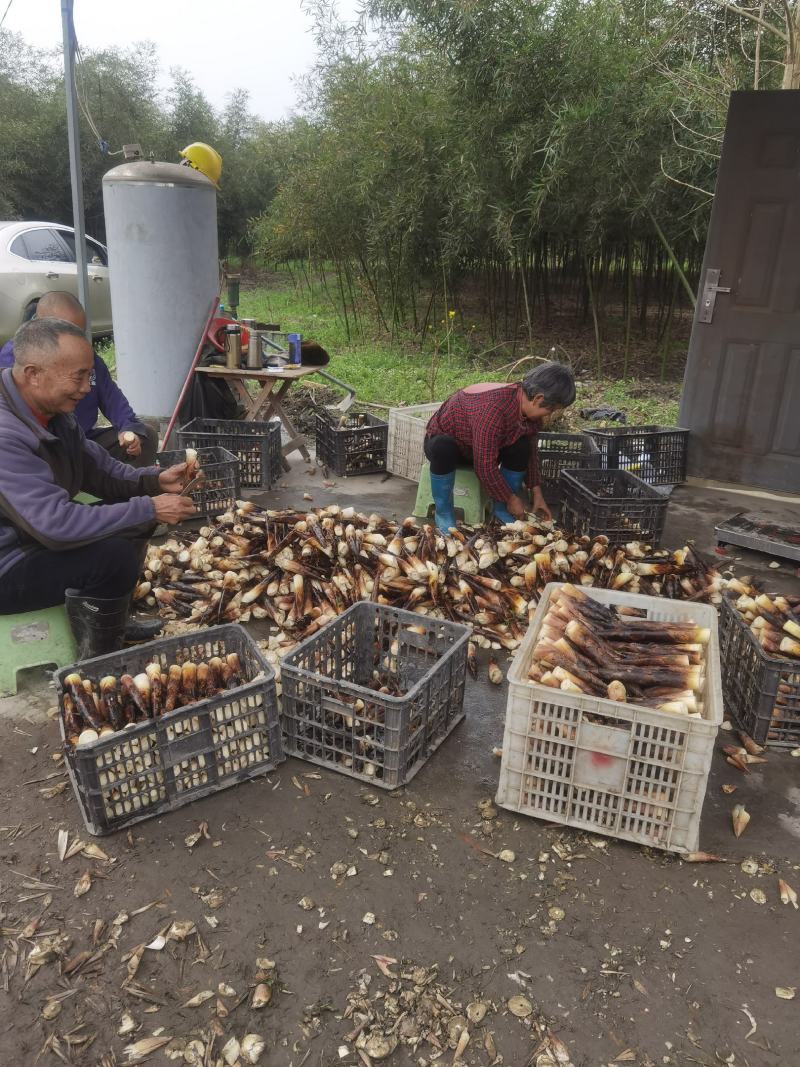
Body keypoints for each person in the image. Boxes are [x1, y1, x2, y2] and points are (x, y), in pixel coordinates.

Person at [0, 318, 196, 658]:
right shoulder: (6, 435)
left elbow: (99, 469)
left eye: (89, 375)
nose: (88, 387)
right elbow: (55, 527)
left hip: (29, 536)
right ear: (33, 373)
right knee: (113, 557)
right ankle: (97, 662)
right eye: (78, 376)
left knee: (135, 518)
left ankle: (110, 620)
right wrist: (149, 506)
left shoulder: (53, 412)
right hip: (7, 561)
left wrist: (152, 481)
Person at [0, 291, 158, 467]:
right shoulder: (15, 360)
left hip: (81, 441)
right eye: (66, 334)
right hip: (42, 446)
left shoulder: (88, 360)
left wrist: (129, 428)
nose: (85, 388)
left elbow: (113, 399)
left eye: (79, 334)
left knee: (146, 436)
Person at [424, 361, 576, 531]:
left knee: (522, 445)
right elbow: (484, 465)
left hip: (479, 450)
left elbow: (531, 452)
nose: (550, 415)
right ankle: (443, 512)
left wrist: (536, 492)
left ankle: (500, 509)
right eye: (551, 410)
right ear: (538, 398)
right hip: (450, 448)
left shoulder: (528, 412)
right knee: (443, 446)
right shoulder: (492, 408)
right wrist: (511, 498)